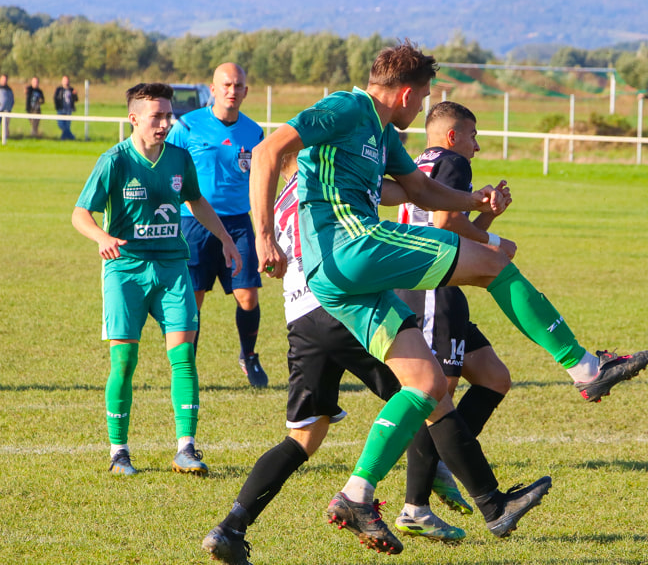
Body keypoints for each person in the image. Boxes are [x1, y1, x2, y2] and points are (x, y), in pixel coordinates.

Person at [248, 41, 648, 554]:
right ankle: (585, 368)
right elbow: (267, 151)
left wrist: (474, 200)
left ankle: (357, 494)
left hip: (335, 277)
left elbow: (420, 191)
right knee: (493, 266)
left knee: (426, 384)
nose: (421, 111)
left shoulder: (380, 134)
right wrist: (262, 236)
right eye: (421, 101)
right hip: (350, 244)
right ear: (406, 93)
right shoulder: (348, 107)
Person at [202, 158, 547, 564]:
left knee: (304, 438)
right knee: (428, 389)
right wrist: (471, 200)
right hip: (342, 304)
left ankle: (230, 528)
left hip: (300, 319)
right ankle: (487, 505)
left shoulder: (282, 199)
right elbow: (408, 192)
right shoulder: (332, 177)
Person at [71, 83, 242, 477]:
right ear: (133, 119)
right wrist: (101, 237)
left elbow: (196, 200)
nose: (165, 123)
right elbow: (81, 213)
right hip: (125, 268)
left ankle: (186, 448)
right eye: (156, 117)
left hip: (172, 267)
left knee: (183, 356)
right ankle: (119, 452)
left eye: (168, 115)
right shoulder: (114, 160)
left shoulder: (180, 159)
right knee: (125, 361)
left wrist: (225, 238)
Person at [391, 101, 521, 540]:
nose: (477, 145)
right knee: (433, 395)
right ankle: (415, 504)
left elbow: (446, 221)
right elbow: (446, 222)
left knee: (493, 377)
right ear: (452, 136)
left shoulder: (420, 160)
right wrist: (495, 241)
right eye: (472, 135)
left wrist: (488, 218)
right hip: (431, 286)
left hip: (439, 283)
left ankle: (444, 462)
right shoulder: (452, 160)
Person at [166, 63, 268, 388]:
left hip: (237, 222)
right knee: (193, 300)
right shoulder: (187, 125)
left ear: (246, 91)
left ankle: (248, 356)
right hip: (192, 221)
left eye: (238, 86)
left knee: (248, 296)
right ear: (212, 89)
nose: (231, 91)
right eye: (225, 85)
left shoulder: (254, 133)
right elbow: (167, 165)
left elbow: (260, 179)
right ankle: (187, 368)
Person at [54, 75, 78, 140]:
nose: (66, 82)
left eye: (67, 80)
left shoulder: (71, 89)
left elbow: (75, 100)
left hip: (68, 110)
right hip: (61, 109)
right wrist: (57, 107)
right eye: (64, 80)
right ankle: (71, 137)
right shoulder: (59, 89)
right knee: (61, 124)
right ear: (62, 81)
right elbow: (55, 98)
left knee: (67, 126)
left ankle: (64, 138)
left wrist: (74, 94)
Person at [0, 74, 14, 139]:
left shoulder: (9, 89)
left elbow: (11, 99)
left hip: (7, 111)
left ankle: (5, 138)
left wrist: (9, 108)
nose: (4, 81)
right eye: (3, 79)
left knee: (6, 126)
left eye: (5, 80)